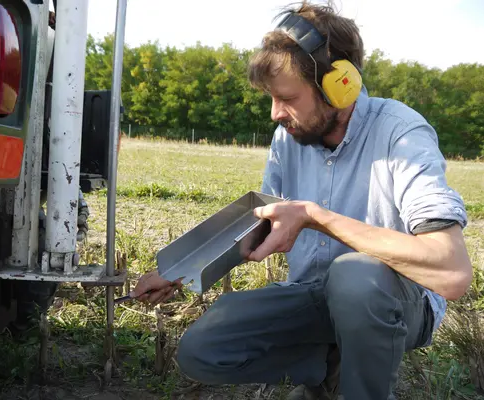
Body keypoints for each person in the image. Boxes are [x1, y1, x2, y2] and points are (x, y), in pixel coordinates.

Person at [130, 2, 473, 399]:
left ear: (338, 86)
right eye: (272, 98)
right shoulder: (289, 137)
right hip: (316, 295)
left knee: (355, 278)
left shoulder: (401, 133)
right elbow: (263, 221)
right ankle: (329, 376)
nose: (276, 113)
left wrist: (316, 216)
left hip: (396, 303)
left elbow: (452, 272)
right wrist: (178, 269)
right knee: (203, 349)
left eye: (287, 98)